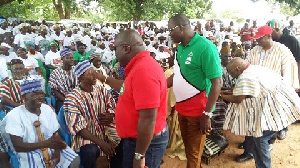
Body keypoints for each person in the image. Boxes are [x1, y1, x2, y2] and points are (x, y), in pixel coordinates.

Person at [94, 29, 169, 168]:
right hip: (137, 140)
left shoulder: (143, 71)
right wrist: (103, 78)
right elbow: (125, 88)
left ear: (126, 48)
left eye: (115, 48)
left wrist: (139, 156)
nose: (115, 54)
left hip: (145, 144)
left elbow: (148, 119)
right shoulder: (139, 66)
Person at [236, 25, 299, 163]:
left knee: (263, 130)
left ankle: (262, 147)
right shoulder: (254, 51)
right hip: (254, 93)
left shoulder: (282, 51)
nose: (257, 42)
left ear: (269, 36)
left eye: (259, 39)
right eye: (256, 39)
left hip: (273, 96)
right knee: (251, 122)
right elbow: (248, 70)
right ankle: (249, 150)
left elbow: (288, 75)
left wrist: (283, 96)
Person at [222, 58, 300, 168]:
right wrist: (224, 91)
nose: (231, 76)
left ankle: (263, 165)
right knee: (252, 129)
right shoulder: (254, 68)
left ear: (237, 69)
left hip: (272, 109)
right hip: (277, 105)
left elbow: (238, 98)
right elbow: (240, 90)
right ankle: (249, 152)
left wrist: (220, 96)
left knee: (260, 138)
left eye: (231, 73)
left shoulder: (245, 77)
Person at [167, 14, 223, 168]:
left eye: (171, 30)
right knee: (189, 150)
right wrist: (157, 86)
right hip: (182, 109)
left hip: (198, 112)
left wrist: (207, 114)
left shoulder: (205, 47)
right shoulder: (180, 48)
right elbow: (178, 75)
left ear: (180, 27)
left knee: (193, 154)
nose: (169, 34)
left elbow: (217, 82)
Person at [1, 79, 80, 168]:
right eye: (35, 94)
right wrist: (45, 144)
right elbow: (18, 146)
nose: (40, 97)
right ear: (24, 97)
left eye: (41, 93)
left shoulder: (47, 109)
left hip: (51, 145)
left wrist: (57, 152)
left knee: (74, 160)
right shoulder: (14, 115)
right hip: (28, 150)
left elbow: (56, 134)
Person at [64, 60, 121, 168]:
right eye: (90, 73)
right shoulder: (72, 98)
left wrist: (111, 115)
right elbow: (79, 128)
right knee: (90, 151)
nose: (94, 75)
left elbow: (111, 105)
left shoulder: (100, 89)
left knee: (124, 140)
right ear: (81, 78)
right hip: (87, 136)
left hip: (105, 130)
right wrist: (101, 143)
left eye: (94, 72)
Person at [267, 19, 300, 139]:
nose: (269, 34)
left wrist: (297, 78)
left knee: (284, 102)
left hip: (287, 76)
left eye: (271, 31)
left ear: (276, 29)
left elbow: (298, 60)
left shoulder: (291, 40)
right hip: (272, 77)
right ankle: (273, 126)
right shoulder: (270, 41)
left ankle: (283, 127)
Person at [48, 48, 77, 113]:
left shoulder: (77, 70)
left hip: (77, 98)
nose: (71, 59)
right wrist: (66, 101)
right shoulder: (55, 72)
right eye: (68, 58)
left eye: (72, 58)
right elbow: (54, 91)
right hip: (62, 99)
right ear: (62, 59)